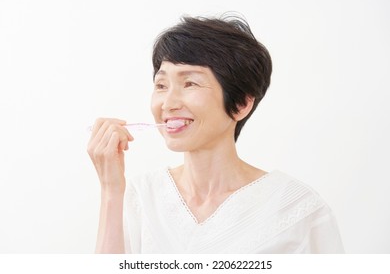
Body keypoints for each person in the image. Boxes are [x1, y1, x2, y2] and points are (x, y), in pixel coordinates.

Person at [87, 13, 344, 253]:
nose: (168, 103)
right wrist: (111, 190)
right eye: (161, 85)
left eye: (190, 83)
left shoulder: (296, 209)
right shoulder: (141, 197)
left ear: (242, 103)